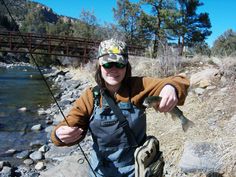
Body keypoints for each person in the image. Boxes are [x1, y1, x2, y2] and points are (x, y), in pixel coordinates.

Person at [51, 38, 190, 177]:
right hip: (101, 170)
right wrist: (60, 134)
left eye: (119, 63)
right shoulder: (90, 96)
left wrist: (170, 88)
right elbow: (71, 122)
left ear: (126, 65)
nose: (113, 69)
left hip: (137, 169)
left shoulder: (138, 86)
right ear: (100, 65)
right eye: (107, 64)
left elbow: (180, 80)